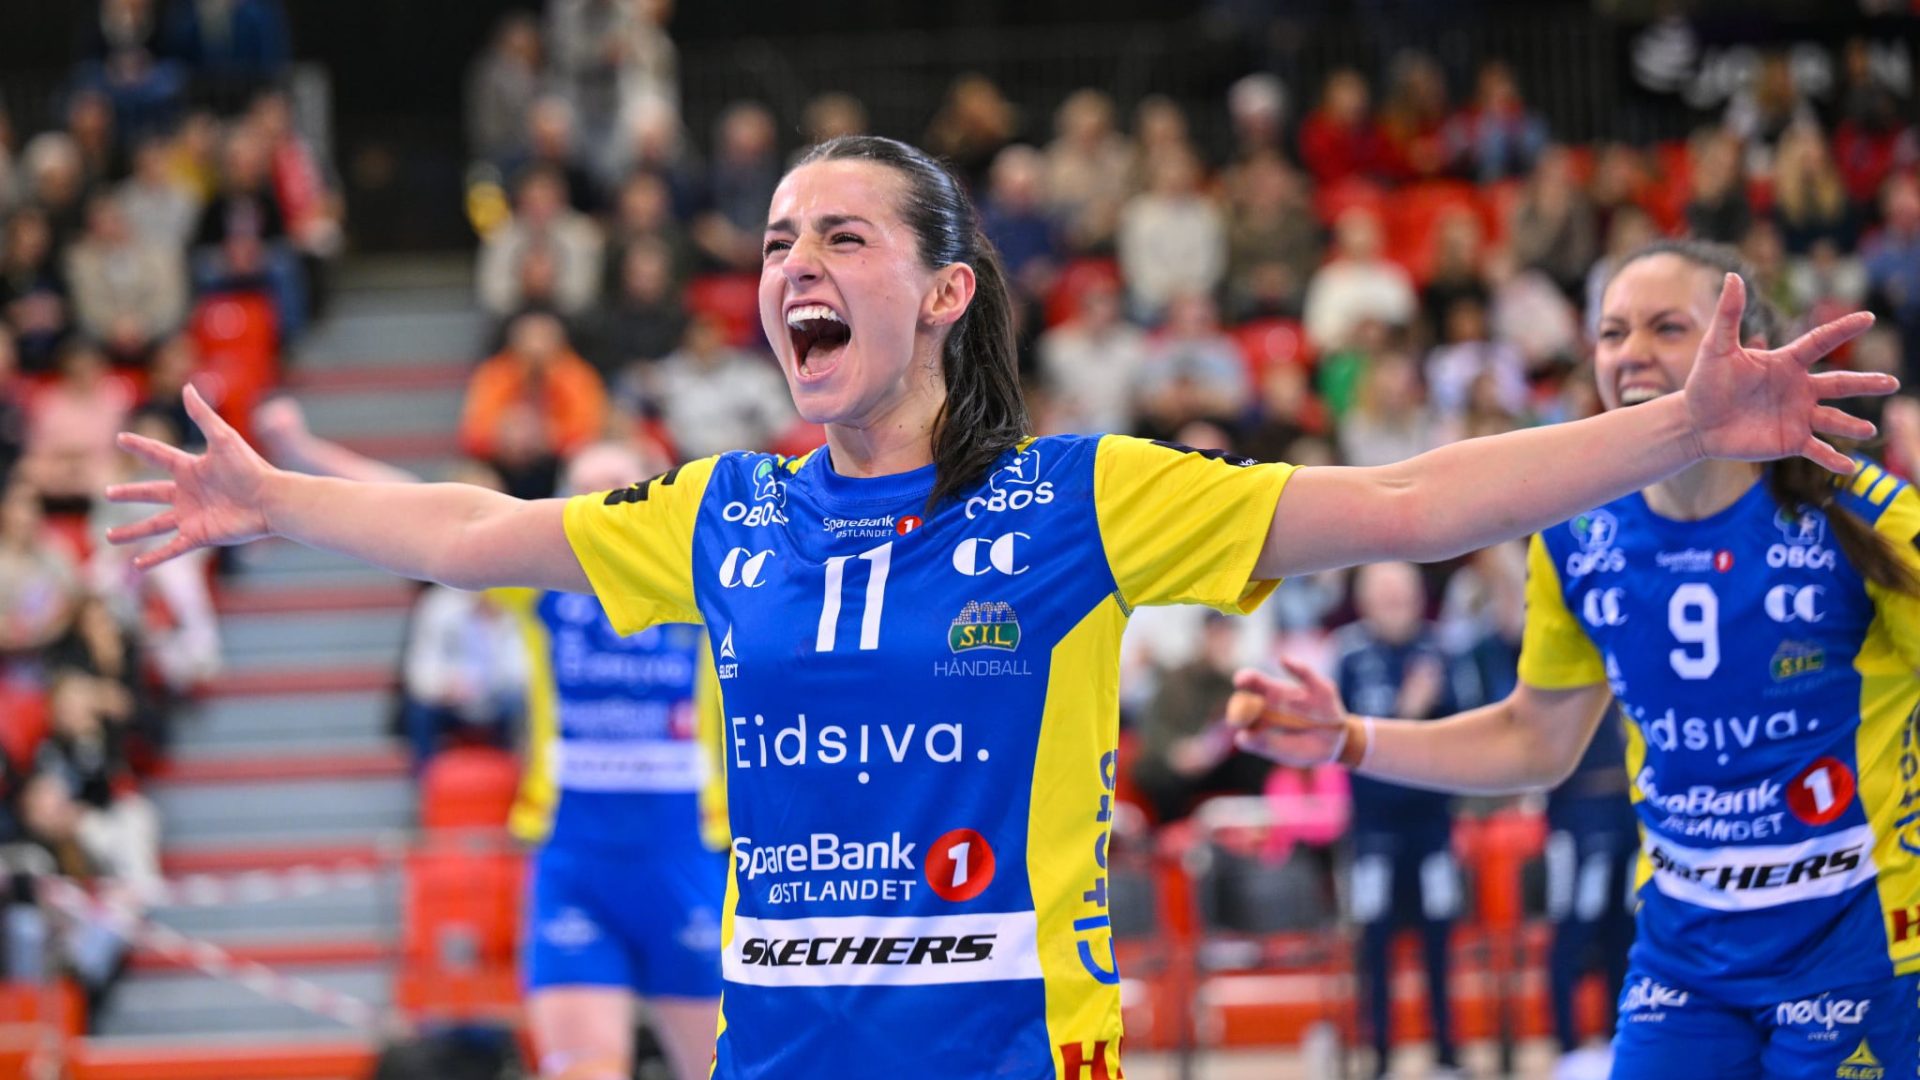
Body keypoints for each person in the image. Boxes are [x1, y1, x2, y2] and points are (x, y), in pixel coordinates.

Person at [107, 137, 1886, 1080]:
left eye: (843, 238)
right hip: (782, 1049)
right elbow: (479, 532)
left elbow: (1413, 503)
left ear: (948, 292)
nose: (794, 265)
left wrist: (1683, 425)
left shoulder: (1078, 499)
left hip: (1017, 1040)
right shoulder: (723, 513)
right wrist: (275, 499)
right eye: (778, 240)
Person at [1231, 240, 1918, 1080]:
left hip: (1859, 950)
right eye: (1612, 333)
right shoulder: (1579, 534)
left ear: (1750, 349)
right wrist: (1348, 738)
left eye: (1669, 328)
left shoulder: (1861, 515)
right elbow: (1534, 739)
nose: (1632, 354)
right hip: (1684, 962)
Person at [1334, 562, 1463, 1079]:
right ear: (1366, 601)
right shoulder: (1350, 657)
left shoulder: (1440, 652)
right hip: (1374, 832)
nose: (1395, 605)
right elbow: (1341, 741)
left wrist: (1427, 708)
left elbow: (1465, 734)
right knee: (1375, 946)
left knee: (1440, 945)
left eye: (1402, 595)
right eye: (1385, 596)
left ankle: (1446, 1054)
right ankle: (1380, 1057)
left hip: (1433, 829)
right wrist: (1406, 711)